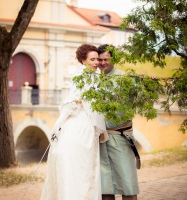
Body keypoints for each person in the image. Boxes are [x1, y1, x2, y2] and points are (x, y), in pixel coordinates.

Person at [40, 44, 106, 200]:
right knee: (74, 166)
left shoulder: (97, 78)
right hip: (78, 126)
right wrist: (58, 125)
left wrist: (58, 125)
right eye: (92, 59)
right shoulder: (80, 77)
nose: (96, 62)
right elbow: (73, 104)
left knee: (83, 168)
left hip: (87, 127)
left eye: (97, 58)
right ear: (83, 60)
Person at [98, 44, 139, 200]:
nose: (102, 63)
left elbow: (139, 95)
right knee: (105, 185)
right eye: (99, 60)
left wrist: (151, 85)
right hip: (101, 140)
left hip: (120, 138)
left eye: (105, 59)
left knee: (126, 184)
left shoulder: (123, 78)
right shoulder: (94, 80)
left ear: (112, 59)